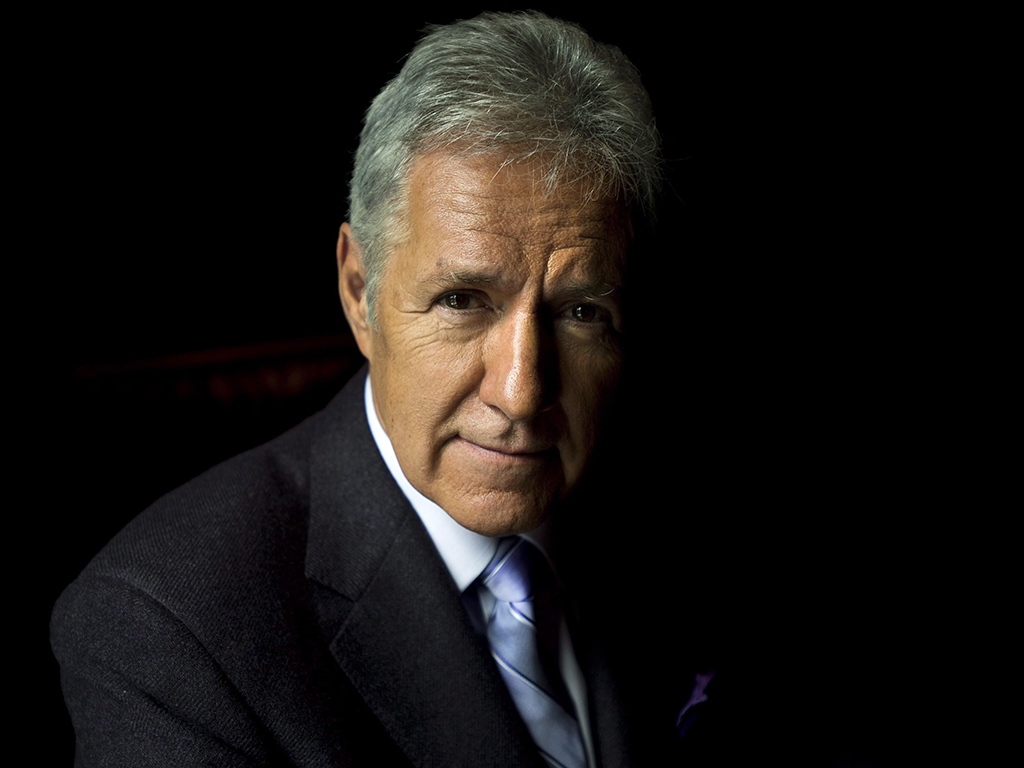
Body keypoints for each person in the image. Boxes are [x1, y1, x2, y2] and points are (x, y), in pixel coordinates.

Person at [52, 12, 697, 767]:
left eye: (581, 313)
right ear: (360, 290)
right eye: (462, 300)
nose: (522, 393)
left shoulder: (679, 513)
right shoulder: (166, 630)